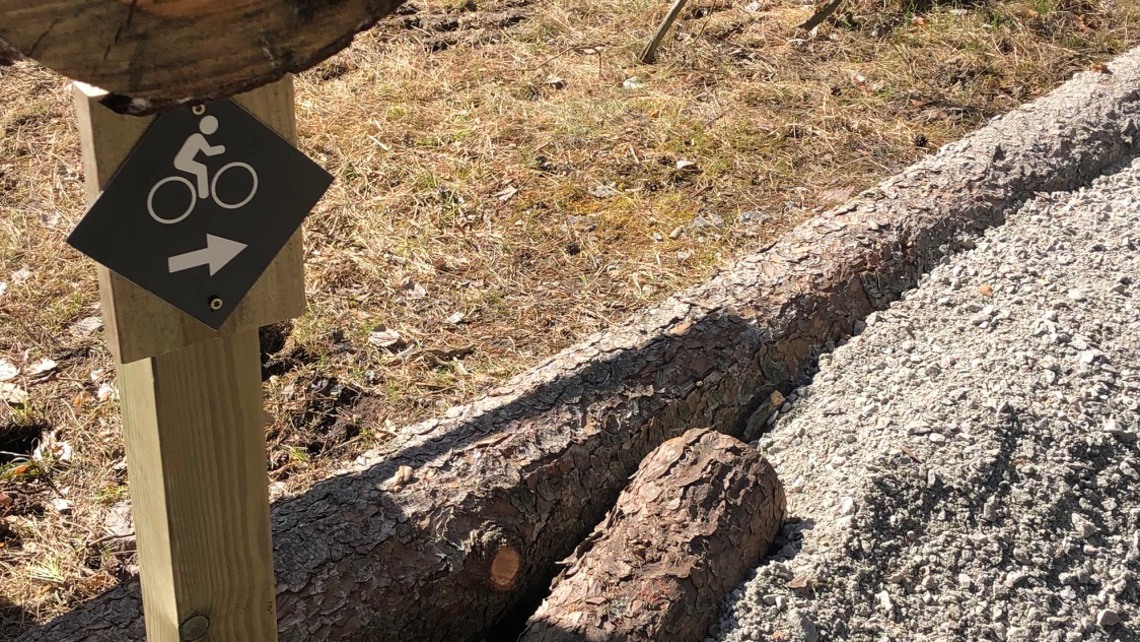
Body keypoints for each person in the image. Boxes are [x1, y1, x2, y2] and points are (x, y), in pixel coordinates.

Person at [174, 115, 226, 199]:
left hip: (183, 161)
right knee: (202, 169)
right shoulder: (197, 137)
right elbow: (208, 152)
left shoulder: (196, 136)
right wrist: (221, 149)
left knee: (201, 167)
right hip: (182, 162)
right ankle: (203, 195)